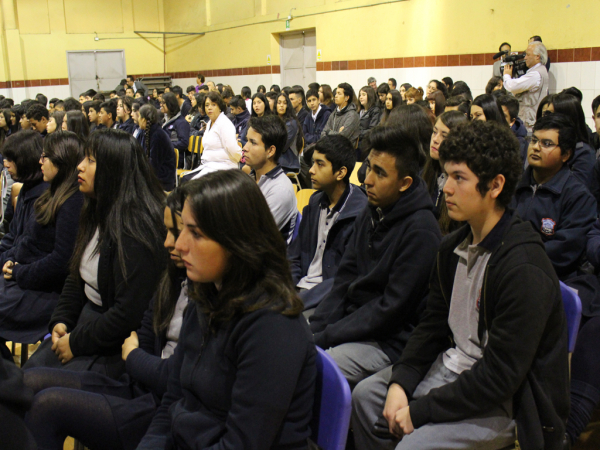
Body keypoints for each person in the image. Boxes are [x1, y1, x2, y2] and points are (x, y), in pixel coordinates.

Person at [352, 120, 569, 450]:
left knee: (414, 445)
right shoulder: (451, 248)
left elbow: (500, 377)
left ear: (495, 186)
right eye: (445, 176)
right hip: (451, 368)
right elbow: (432, 327)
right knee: (367, 397)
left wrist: (421, 411)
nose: (447, 188)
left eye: (459, 178)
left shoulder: (523, 268)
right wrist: (401, 381)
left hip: (507, 402)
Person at [136, 170, 316, 449]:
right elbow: (173, 401)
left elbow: (241, 443)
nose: (179, 244)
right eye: (182, 229)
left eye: (195, 233)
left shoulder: (273, 327)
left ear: (237, 243)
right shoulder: (206, 295)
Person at [23, 190, 187, 450]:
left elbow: (176, 373)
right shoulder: (176, 275)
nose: (168, 242)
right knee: (24, 382)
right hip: (139, 383)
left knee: (44, 404)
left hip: (158, 399)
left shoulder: (214, 297)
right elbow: (145, 329)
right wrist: (61, 319)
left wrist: (132, 357)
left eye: (90, 159)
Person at [22, 129, 166, 378]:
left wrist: (76, 342)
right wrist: (61, 320)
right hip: (87, 324)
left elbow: (127, 315)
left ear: (113, 169)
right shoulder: (95, 210)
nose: (79, 167)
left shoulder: (135, 228)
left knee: (36, 388)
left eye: (90, 160)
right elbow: (75, 276)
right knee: (24, 377)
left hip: (114, 344)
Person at [309, 125, 442, 388]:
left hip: (389, 340)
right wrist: (317, 328)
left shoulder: (421, 231)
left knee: (314, 367)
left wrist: (327, 336)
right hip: (355, 323)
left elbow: (389, 311)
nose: (367, 179)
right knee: (293, 338)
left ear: (405, 183)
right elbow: (344, 281)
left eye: (379, 173)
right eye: (369, 167)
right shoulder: (371, 211)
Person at [0, 131, 83, 358]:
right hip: (28, 278)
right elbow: (21, 240)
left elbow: (60, 261)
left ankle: (8, 381)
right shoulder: (51, 193)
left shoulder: (70, 200)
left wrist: (17, 270)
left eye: (45, 157)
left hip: (46, 292)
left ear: (61, 160)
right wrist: (10, 261)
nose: (40, 160)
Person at [512, 114, 596, 282]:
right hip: (510, 272)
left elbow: (563, 252)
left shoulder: (579, 198)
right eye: (534, 140)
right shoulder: (515, 185)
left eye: (546, 144)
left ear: (566, 155)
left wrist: (515, 256)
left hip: (552, 281)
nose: (536, 147)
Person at [289, 135, 367, 311]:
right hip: (299, 292)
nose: (311, 170)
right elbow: (295, 256)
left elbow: (344, 279)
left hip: (327, 302)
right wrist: (288, 289)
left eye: (320, 164)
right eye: (312, 163)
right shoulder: (315, 203)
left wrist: (297, 301)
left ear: (341, 173)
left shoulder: (358, 214)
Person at [242, 115, 298, 242]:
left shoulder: (280, 190)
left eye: (253, 143)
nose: (245, 148)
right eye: (247, 141)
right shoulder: (251, 179)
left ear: (270, 151)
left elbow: (251, 237)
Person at [421, 111, 468, 235]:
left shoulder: (463, 183)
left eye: (444, 136)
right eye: (434, 132)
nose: (435, 140)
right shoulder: (428, 172)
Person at [183, 92, 241, 180]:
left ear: (220, 107)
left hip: (223, 166)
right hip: (209, 165)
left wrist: (241, 159)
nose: (209, 107)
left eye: (213, 105)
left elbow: (232, 148)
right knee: (184, 179)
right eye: (207, 105)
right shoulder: (210, 123)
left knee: (189, 183)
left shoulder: (225, 124)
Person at [546, 93, 596, 188]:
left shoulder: (583, 153)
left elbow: (577, 191)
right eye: (547, 114)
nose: (547, 119)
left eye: (553, 115)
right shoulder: (541, 146)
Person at [503, 41, 549, 131]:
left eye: (528, 55)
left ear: (537, 56)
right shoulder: (540, 71)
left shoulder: (535, 74)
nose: (525, 58)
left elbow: (512, 86)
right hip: (531, 120)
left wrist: (507, 75)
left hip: (529, 123)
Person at [138, 104, 176, 191]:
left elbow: (154, 165)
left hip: (163, 180)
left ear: (143, 119)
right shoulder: (146, 132)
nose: (138, 119)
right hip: (155, 176)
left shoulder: (158, 135)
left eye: (139, 116)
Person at [274, 92, 304, 173]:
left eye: (284, 103)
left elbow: (283, 146)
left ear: (288, 106)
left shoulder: (291, 123)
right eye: (279, 103)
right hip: (276, 161)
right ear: (275, 105)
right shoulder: (273, 121)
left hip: (288, 164)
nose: (281, 105)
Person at [160, 92, 190, 169]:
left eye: (163, 103)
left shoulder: (181, 122)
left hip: (175, 158)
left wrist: (166, 145)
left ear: (170, 104)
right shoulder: (164, 120)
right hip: (165, 155)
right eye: (161, 102)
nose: (161, 105)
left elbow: (184, 143)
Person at [496, 95, 528, 162]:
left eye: (503, 116)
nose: (497, 119)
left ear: (512, 121)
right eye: (496, 114)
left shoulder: (520, 143)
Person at [356, 86, 381, 156]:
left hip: (366, 144)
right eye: (360, 95)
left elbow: (372, 130)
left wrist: (358, 133)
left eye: (364, 95)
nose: (360, 97)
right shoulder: (358, 111)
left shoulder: (375, 110)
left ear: (370, 96)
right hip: (356, 143)